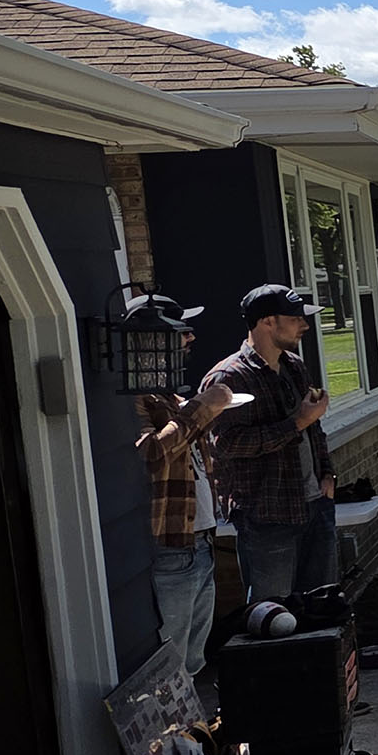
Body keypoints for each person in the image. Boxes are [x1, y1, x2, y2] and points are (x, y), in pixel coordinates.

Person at [204, 284, 338, 605]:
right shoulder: (227, 377)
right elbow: (227, 444)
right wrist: (298, 423)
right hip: (266, 515)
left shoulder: (293, 365)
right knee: (273, 614)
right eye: (294, 318)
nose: (304, 325)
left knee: (323, 608)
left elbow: (313, 427)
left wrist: (328, 474)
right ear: (267, 322)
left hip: (314, 502)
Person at [130, 293, 236, 695]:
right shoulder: (130, 397)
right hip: (171, 545)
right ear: (150, 340)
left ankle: (191, 742)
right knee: (169, 661)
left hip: (201, 539)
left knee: (193, 660)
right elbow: (150, 454)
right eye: (180, 331)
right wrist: (202, 408)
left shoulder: (165, 392)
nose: (190, 339)